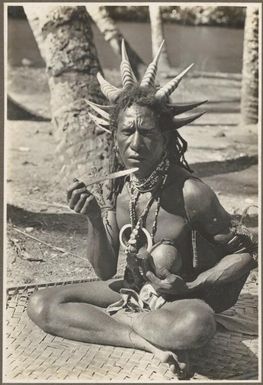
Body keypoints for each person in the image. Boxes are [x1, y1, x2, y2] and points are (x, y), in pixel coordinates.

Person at [27, 41, 257, 379]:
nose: (136, 144)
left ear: (166, 137)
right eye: (127, 131)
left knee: (197, 325)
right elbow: (106, 271)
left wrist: (190, 289)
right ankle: (140, 338)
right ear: (114, 134)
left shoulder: (191, 191)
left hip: (179, 302)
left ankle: (121, 322)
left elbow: (245, 256)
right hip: (132, 291)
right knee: (41, 304)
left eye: (147, 133)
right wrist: (93, 216)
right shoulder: (118, 186)